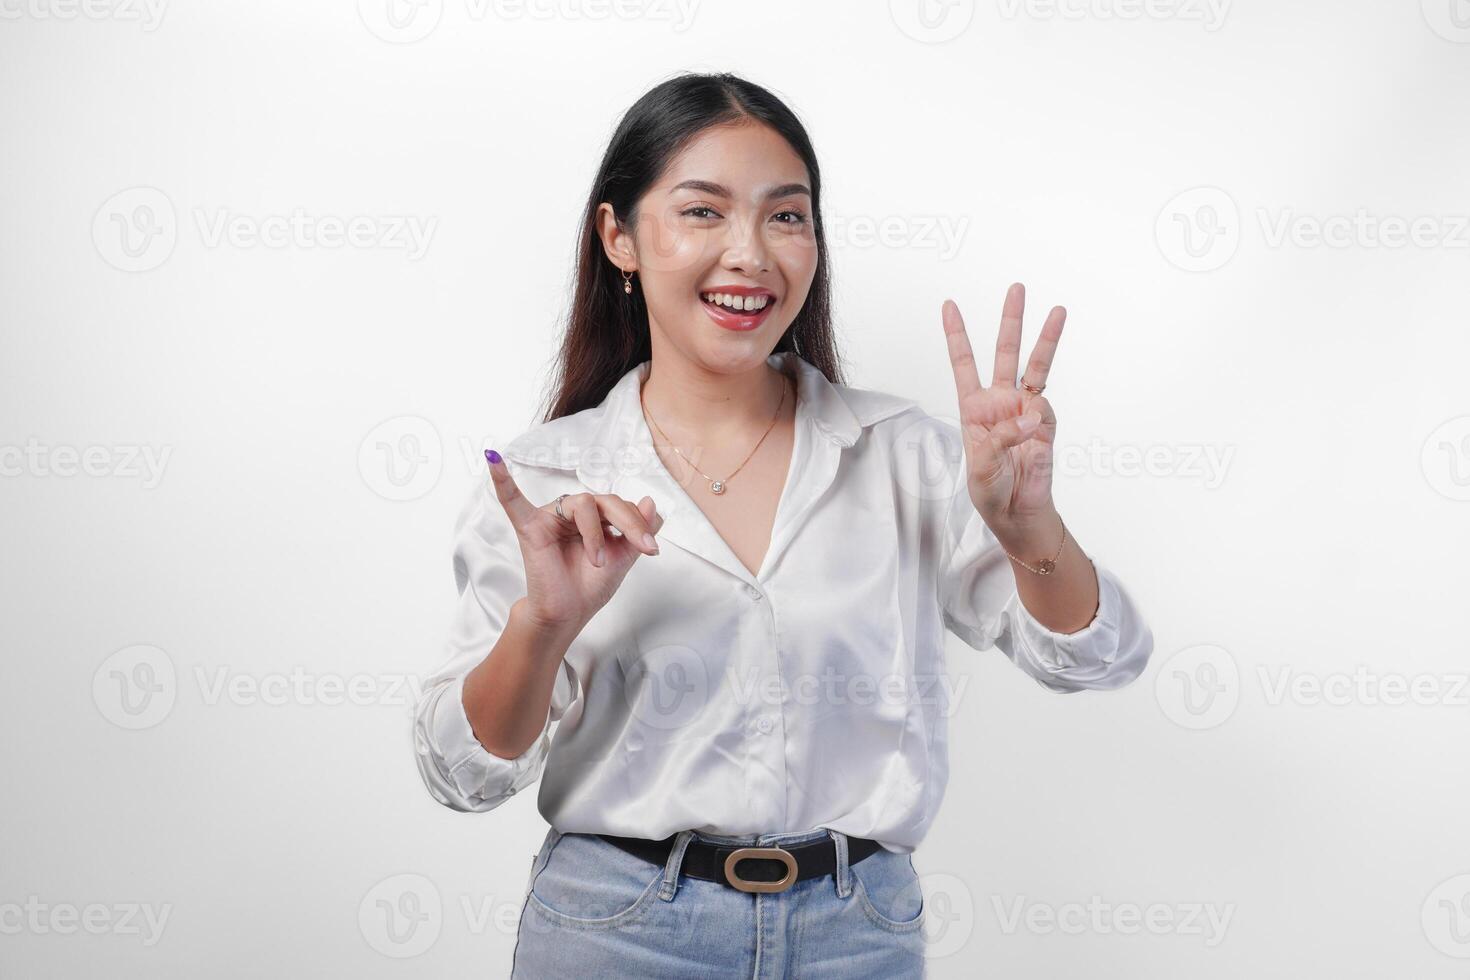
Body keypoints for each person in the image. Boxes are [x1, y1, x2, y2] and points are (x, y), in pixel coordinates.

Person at [411, 71, 1153, 978]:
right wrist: (543, 625)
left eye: (786, 216)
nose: (751, 254)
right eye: (703, 212)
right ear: (620, 237)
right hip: (617, 931)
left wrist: (1029, 527)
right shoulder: (545, 481)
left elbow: (1099, 658)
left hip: (857, 934)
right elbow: (461, 771)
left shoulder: (903, 457)